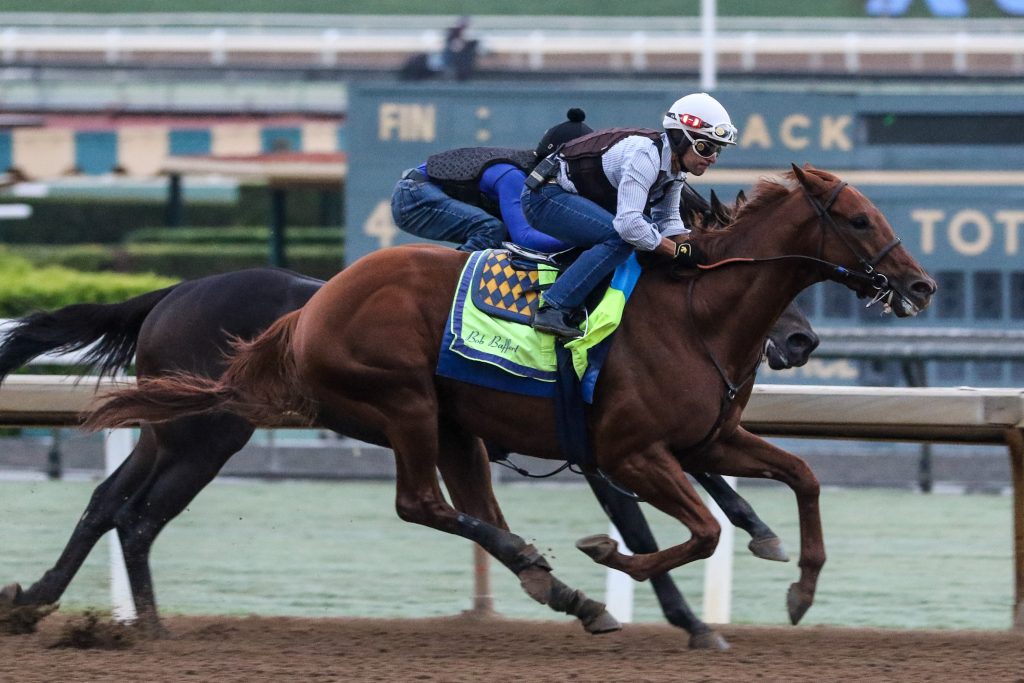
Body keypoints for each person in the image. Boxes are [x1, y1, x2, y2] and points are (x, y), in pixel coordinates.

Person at [521, 92, 738, 339]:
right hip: (544, 197)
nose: (712, 158)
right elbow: (628, 225)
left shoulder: (675, 172)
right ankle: (553, 307)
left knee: (646, 231)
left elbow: (667, 220)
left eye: (717, 150)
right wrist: (676, 251)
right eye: (705, 147)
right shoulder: (644, 156)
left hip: (569, 196)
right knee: (621, 238)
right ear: (679, 138)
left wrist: (697, 254)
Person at [390, 108, 594, 253]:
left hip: (423, 189)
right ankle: (450, 290)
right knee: (491, 230)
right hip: (413, 195)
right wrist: (585, 239)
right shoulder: (512, 176)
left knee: (502, 239)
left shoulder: (530, 169)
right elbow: (525, 238)